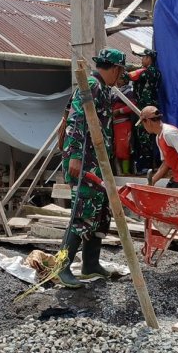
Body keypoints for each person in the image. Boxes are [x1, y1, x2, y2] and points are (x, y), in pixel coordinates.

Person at [56, 48, 127, 288]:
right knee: (82, 213)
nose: (121, 76)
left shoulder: (103, 89)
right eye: (121, 71)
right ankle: (62, 267)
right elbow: (75, 120)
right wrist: (75, 156)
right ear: (116, 68)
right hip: (83, 160)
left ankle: (90, 264)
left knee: (99, 212)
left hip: (97, 163)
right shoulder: (90, 87)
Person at [138, 106, 178, 189]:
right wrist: (152, 181)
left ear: (148, 122)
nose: (143, 126)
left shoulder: (168, 133)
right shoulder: (159, 137)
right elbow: (166, 163)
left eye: (143, 123)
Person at [127, 48, 162, 173]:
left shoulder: (147, 72)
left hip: (144, 110)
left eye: (143, 57)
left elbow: (128, 76)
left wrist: (120, 68)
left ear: (149, 58)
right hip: (152, 108)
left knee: (144, 137)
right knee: (152, 137)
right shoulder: (156, 72)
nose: (142, 59)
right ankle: (152, 164)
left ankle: (145, 167)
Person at [111, 73, 137, 175]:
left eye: (121, 79)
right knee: (116, 149)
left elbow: (132, 106)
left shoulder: (129, 92)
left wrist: (119, 111)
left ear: (126, 80)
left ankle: (125, 172)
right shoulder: (113, 92)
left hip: (124, 124)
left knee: (124, 148)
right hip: (114, 125)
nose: (118, 81)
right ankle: (118, 171)